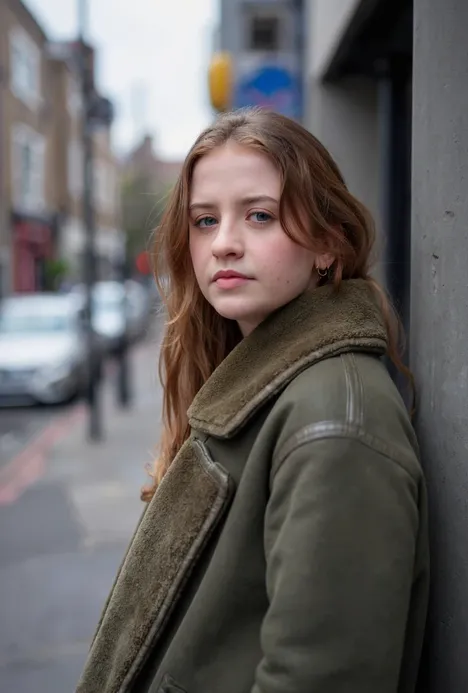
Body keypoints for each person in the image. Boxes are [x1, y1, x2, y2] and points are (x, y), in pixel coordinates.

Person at [76, 108, 429, 693]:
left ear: (328, 243)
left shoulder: (335, 421)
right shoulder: (258, 379)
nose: (224, 244)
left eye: (259, 216)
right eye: (205, 221)